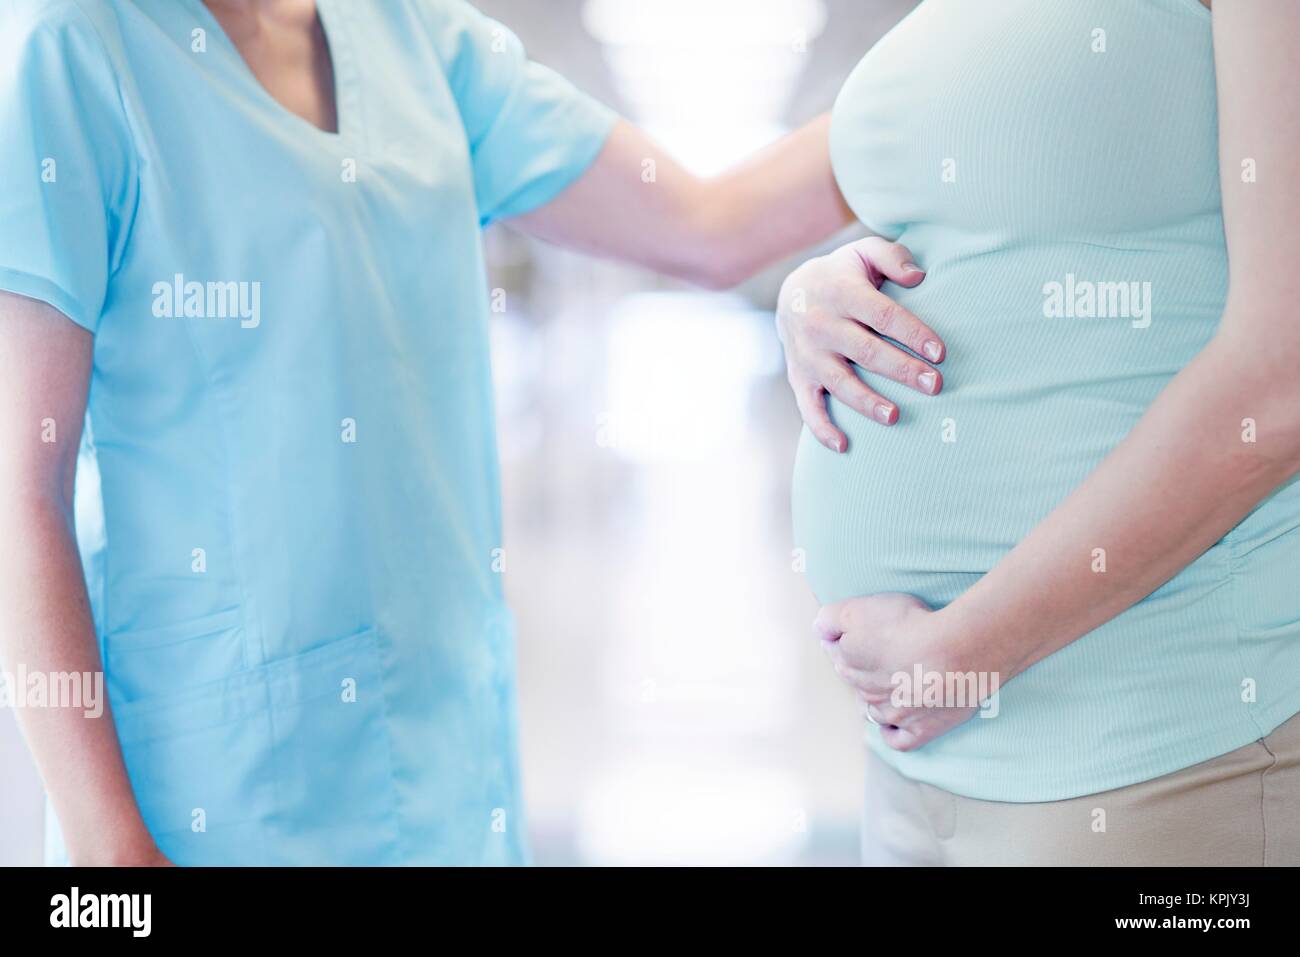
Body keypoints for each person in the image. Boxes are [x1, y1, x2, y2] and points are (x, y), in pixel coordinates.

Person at [0, 0, 944, 865]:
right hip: (211, 792)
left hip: (445, 771)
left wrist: (960, 71)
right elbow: (19, 494)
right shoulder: (79, 51)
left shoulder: (415, 41)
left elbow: (709, 223)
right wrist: (108, 851)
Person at [781, 0, 1300, 864]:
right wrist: (821, 294)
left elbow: (1282, 374)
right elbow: (999, 226)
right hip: (915, 760)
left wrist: (964, 651)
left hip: (1152, 742)